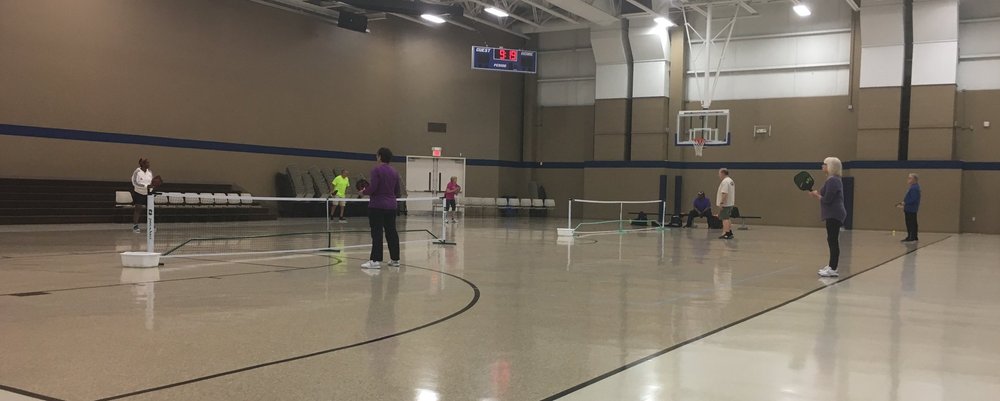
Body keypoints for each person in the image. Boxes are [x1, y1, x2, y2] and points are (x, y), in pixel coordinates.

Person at [360, 148, 401, 269]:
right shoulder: (394, 172)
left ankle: (375, 261)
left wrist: (364, 192)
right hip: (391, 206)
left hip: (377, 206)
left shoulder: (376, 170)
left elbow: (373, 188)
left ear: (379, 156)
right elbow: (397, 191)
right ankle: (395, 259)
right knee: (391, 232)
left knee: (377, 232)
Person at [809, 157, 847, 278]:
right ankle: (831, 266)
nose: (822, 166)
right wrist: (816, 194)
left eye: (824, 164)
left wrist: (817, 196)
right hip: (832, 213)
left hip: (834, 214)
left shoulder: (833, 181)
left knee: (833, 240)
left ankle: (833, 268)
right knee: (831, 239)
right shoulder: (832, 180)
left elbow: (827, 199)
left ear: (830, 166)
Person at [130, 158, 154, 233]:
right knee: (138, 209)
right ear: (143, 164)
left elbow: (152, 182)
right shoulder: (137, 171)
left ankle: (151, 225)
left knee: (150, 210)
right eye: (147, 163)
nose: (149, 164)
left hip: (148, 193)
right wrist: (145, 186)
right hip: (138, 193)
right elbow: (134, 182)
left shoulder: (150, 172)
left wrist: (151, 187)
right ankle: (135, 226)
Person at [897, 173, 921, 242]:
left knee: (910, 222)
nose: (908, 179)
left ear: (914, 180)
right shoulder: (914, 187)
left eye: (910, 178)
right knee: (913, 222)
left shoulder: (914, 188)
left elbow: (913, 199)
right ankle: (914, 236)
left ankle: (911, 236)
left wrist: (905, 203)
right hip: (910, 208)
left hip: (911, 208)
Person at [716, 168, 736, 239]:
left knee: (725, 218)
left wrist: (721, 203)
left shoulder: (725, 181)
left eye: (719, 173)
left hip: (726, 204)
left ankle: (727, 233)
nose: (719, 175)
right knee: (727, 218)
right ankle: (729, 232)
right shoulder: (731, 181)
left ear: (723, 173)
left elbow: (724, 193)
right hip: (730, 203)